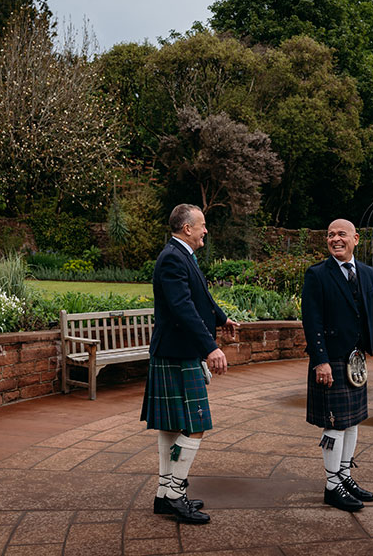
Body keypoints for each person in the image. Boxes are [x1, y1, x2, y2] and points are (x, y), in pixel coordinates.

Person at [140, 204, 238, 524]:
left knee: (171, 428)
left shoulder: (182, 256)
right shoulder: (172, 258)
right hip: (176, 354)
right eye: (202, 225)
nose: (205, 230)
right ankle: (174, 494)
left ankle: (164, 495)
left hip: (175, 353)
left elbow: (200, 296)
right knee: (195, 427)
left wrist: (221, 318)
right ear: (187, 229)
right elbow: (182, 307)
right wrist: (210, 347)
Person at [302, 218, 373, 512]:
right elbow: (311, 321)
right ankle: (332, 486)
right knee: (334, 423)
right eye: (330, 235)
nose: (335, 239)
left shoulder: (366, 273)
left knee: (352, 421)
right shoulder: (317, 275)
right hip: (331, 360)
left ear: (356, 239)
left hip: (356, 362)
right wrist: (320, 361)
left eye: (341, 234)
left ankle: (344, 475)